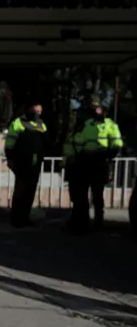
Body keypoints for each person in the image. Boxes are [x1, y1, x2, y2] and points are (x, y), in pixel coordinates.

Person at [64, 95, 124, 233]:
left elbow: (117, 142)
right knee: (82, 192)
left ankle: (98, 220)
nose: (96, 111)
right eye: (94, 109)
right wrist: (78, 156)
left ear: (103, 110)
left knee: (98, 193)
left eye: (98, 108)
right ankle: (83, 220)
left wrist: (110, 153)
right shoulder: (88, 124)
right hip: (86, 161)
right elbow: (80, 140)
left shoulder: (110, 124)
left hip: (100, 161)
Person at [4, 103, 47, 228]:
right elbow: (10, 142)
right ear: (30, 109)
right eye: (36, 110)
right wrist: (10, 158)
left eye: (40, 111)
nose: (37, 113)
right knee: (20, 190)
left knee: (30, 191)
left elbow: (45, 141)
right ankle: (16, 219)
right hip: (21, 161)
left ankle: (25, 217)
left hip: (35, 162)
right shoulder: (17, 122)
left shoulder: (41, 124)